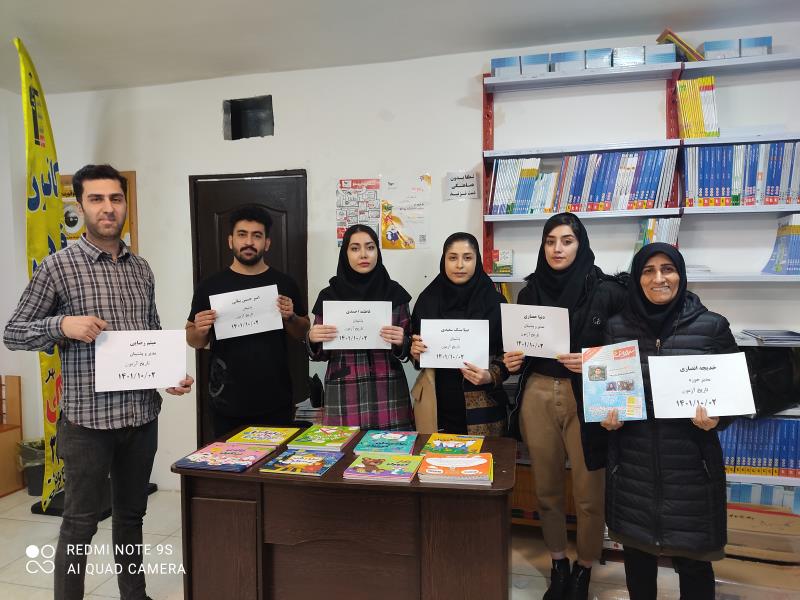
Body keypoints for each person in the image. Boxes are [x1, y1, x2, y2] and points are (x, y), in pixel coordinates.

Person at [3, 164, 193, 600]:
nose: (108, 208)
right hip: (88, 423)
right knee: (79, 524)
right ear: (81, 205)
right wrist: (62, 324)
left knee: (131, 516)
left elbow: (149, 332)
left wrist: (168, 374)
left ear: (124, 204)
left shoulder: (140, 268)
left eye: (115, 199)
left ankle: (134, 595)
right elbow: (13, 333)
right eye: (97, 199)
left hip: (140, 417)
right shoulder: (58, 268)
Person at [600, 242, 738, 600]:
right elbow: (608, 392)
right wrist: (608, 418)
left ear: (681, 274)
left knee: (694, 564)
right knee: (637, 560)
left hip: (691, 468)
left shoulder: (712, 326)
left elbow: (736, 396)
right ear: (637, 278)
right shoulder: (617, 328)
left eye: (667, 269)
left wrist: (718, 419)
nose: (658, 278)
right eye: (648, 270)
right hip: (633, 467)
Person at [502, 212, 626, 600]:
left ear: (580, 244)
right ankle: (558, 563)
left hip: (587, 395)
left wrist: (592, 361)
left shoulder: (607, 291)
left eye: (567, 241)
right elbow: (519, 350)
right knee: (547, 489)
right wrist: (511, 361)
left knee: (589, 492)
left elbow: (626, 349)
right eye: (550, 241)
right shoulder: (529, 293)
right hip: (538, 392)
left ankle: (584, 567)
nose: (557, 249)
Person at [186, 206, 309, 437]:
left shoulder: (285, 284)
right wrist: (200, 330)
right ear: (230, 241)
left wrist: (291, 317)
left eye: (257, 236)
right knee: (229, 459)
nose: (249, 242)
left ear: (267, 243)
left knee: (275, 460)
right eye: (242, 234)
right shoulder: (210, 286)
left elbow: (303, 331)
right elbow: (193, 340)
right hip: (226, 400)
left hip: (275, 398)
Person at [306, 224, 413, 429]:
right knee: (344, 448)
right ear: (345, 253)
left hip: (387, 389)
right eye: (355, 248)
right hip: (344, 392)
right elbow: (321, 354)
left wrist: (403, 342)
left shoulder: (395, 293)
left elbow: (409, 350)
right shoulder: (330, 296)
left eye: (370, 247)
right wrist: (312, 339)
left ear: (377, 252)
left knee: (392, 448)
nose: (363, 254)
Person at [410, 232, 507, 435]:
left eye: (467, 258)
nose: (460, 265)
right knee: (434, 455)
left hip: (484, 408)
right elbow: (416, 352)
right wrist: (416, 352)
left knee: (484, 455)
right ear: (443, 260)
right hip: (436, 406)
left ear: (477, 260)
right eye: (452, 258)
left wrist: (490, 375)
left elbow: (509, 356)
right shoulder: (427, 300)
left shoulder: (495, 302)